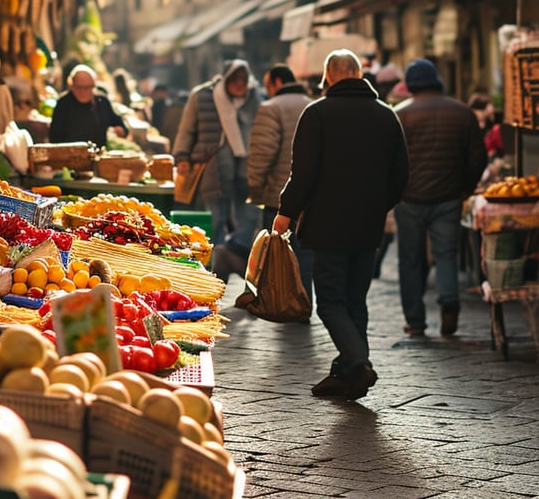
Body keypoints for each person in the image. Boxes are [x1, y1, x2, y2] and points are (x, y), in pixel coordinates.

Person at [272, 50, 409, 399]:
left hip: (327, 224)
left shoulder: (317, 114)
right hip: (368, 224)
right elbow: (400, 175)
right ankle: (349, 373)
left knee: (331, 301)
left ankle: (358, 362)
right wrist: (378, 205)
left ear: (328, 76)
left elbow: (303, 173)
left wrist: (286, 212)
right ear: (360, 74)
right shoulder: (386, 115)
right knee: (355, 300)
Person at [394, 59, 486, 338]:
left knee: (410, 259)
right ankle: (449, 301)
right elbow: (477, 158)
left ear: (410, 85)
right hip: (448, 197)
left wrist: (395, 191)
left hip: (409, 198)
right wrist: (465, 188)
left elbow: (389, 160)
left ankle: (416, 320)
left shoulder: (399, 114)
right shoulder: (462, 113)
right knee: (446, 254)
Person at [174, 59, 261, 278]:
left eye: (244, 80)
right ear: (227, 79)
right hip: (212, 167)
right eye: (236, 80)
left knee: (247, 215)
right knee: (217, 215)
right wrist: (182, 156)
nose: (241, 85)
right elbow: (187, 129)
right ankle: (215, 264)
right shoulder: (202, 96)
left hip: (244, 168)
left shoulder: (252, 98)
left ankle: (234, 253)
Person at [247, 64, 314, 304]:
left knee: (277, 256)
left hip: (278, 195)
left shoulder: (270, 108)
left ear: (276, 82)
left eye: (268, 86)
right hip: (308, 196)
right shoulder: (312, 104)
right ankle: (304, 302)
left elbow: (262, 155)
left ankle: (280, 303)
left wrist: (254, 188)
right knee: (303, 256)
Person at [48, 65, 127, 147]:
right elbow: (54, 137)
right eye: (79, 87)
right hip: (70, 156)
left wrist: (121, 130)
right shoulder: (63, 104)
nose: (83, 92)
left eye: (88, 87)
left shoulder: (102, 101)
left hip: (97, 154)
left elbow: (118, 123)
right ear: (72, 85)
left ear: (94, 86)